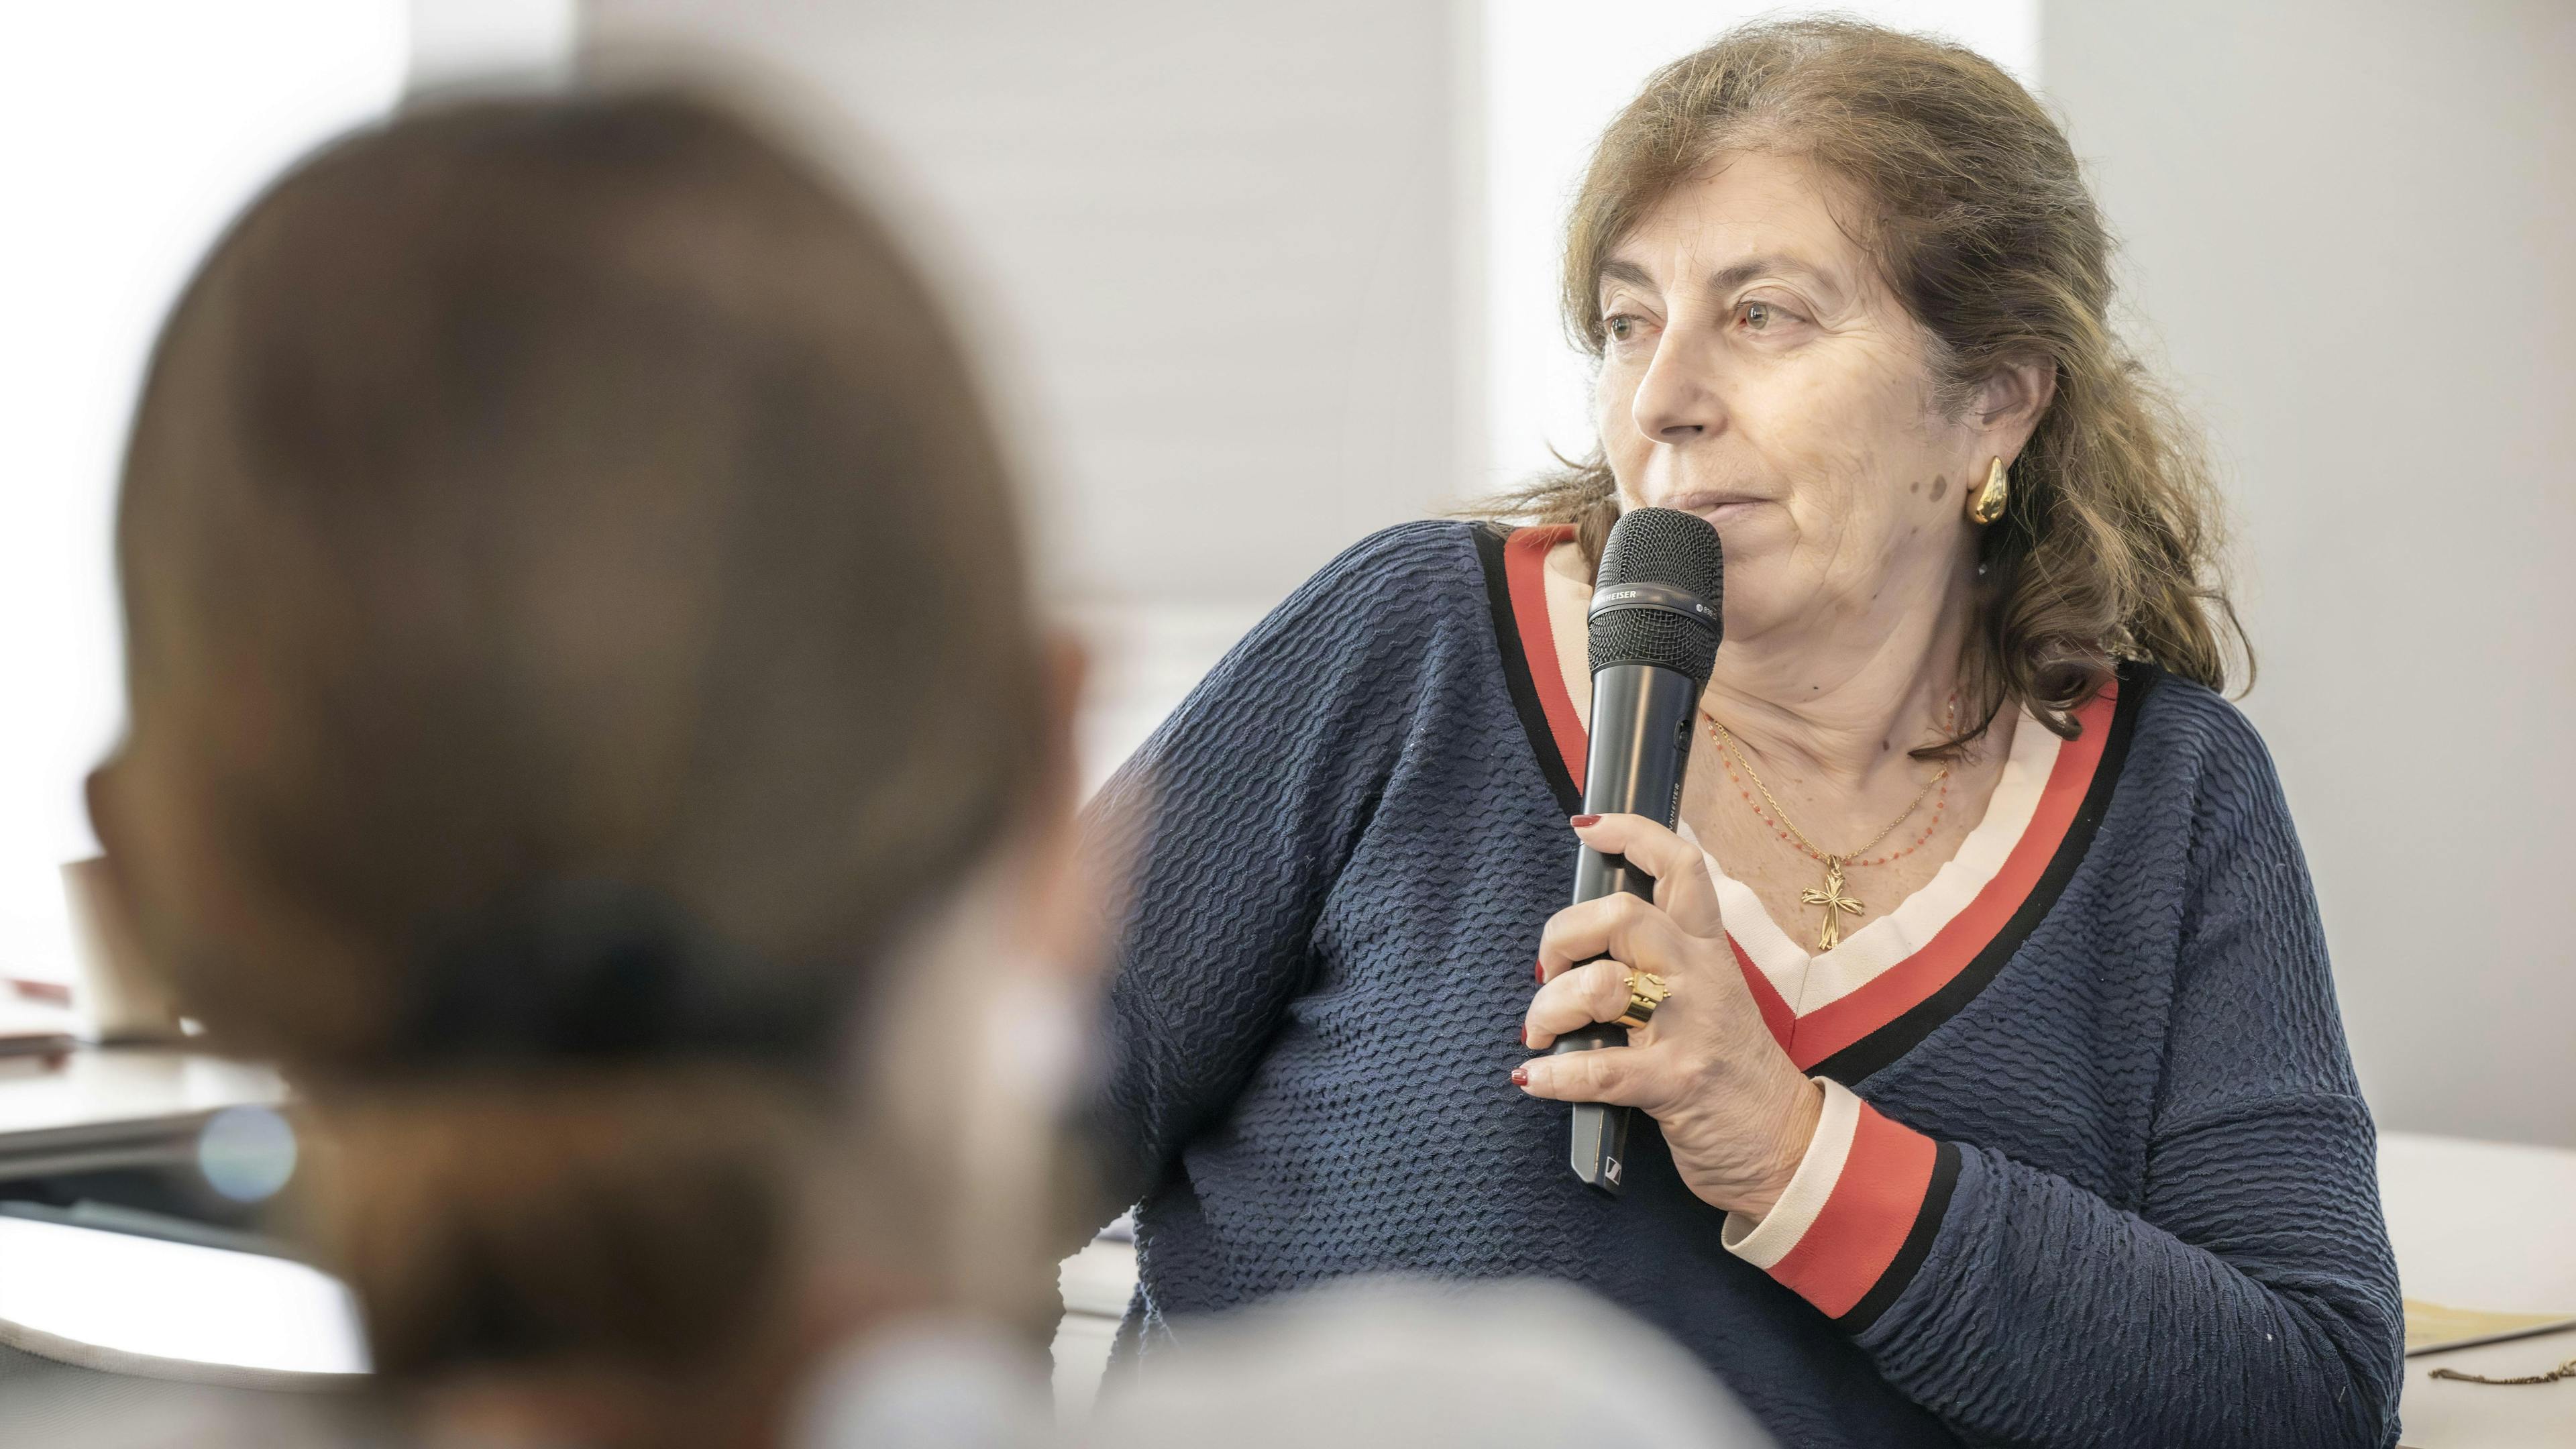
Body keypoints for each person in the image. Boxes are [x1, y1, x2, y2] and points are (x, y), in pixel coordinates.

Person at [62, 85, 1769, 1449]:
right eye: (1631, 321)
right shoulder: (1522, 1420)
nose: (1673, 398)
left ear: (148, 907)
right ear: (1052, 807)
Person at [1087, 18, 2402, 1449]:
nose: (1664, 401)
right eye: (1630, 320)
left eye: (1764, 314)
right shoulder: (1405, 650)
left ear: (1995, 403)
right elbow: (949, 1130)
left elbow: (2311, 1397)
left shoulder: (2173, 796)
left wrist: (1790, 1148)